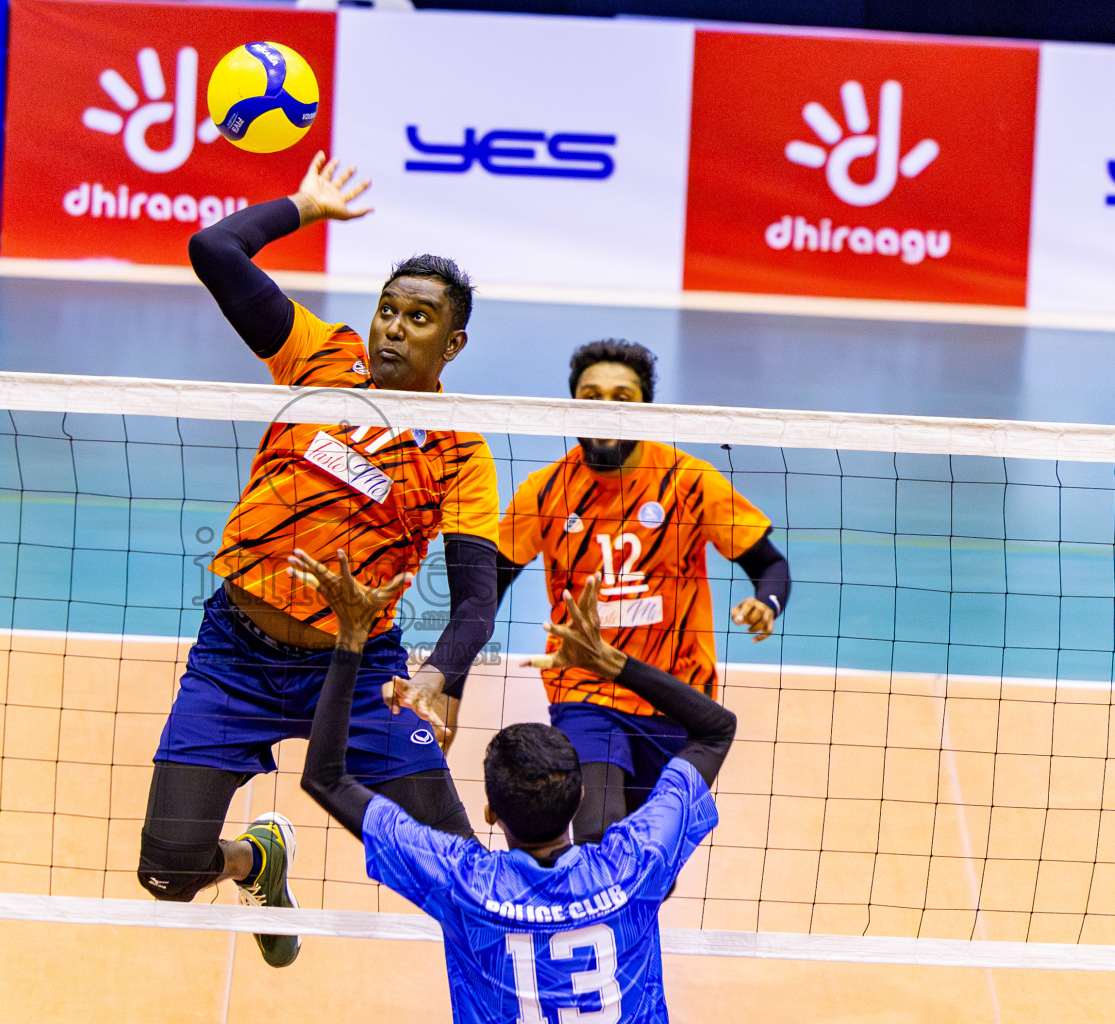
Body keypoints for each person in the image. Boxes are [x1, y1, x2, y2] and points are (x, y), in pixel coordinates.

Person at [137, 153, 500, 969]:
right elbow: (213, 250)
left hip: (360, 672)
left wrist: (441, 674)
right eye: (387, 310)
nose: (393, 329)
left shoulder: (461, 451)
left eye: (418, 318)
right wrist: (302, 205)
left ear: (453, 342)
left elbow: (476, 602)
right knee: (166, 872)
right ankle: (255, 861)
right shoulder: (317, 357)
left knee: (465, 875)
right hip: (235, 657)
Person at [293, 549, 735, 1023]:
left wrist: (351, 639)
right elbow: (716, 729)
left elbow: (326, 778)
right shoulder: (635, 864)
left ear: (490, 811)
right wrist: (612, 664)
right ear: (579, 796)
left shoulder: (462, 882)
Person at [494, 339, 788, 841]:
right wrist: (446, 675)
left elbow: (770, 564)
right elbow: (488, 586)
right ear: (572, 407)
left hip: (675, 693)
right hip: (585, 689)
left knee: (653, 860)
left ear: (646, 410)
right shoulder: (545, 493)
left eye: (622, 398)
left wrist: (766, 603)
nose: (606, 409)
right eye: (591, 397)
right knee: (598, 836)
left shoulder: (690, 481)